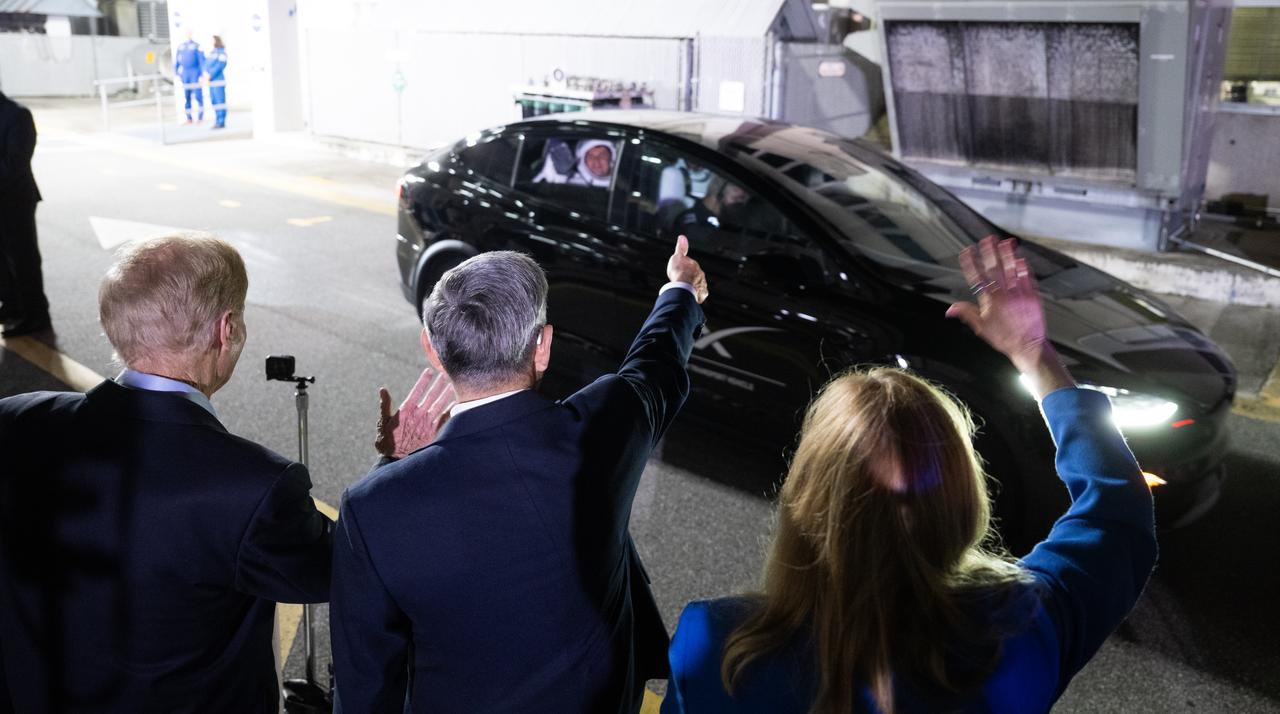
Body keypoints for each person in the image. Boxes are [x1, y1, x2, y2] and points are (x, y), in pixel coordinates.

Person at [661, 235, 1158, 713]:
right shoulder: (1022, 627)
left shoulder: (719, 650)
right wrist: (1035, 355)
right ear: (961, 499)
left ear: (805, 500)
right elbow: (1118, 509)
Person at [329, 238, 710, 713]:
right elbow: (655, 363)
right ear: (543, 346)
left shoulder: (372, 511)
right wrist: (679, 290)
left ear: (433, 350)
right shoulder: (607, 426)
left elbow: (364, 690)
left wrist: (395, 464)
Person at [0, 235, 333, 713]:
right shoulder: (254, 487)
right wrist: (398, 464)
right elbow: (340, 570)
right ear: (227, 329)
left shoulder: (16, 421)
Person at [0, 89, 49, 337]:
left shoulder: (18, 115)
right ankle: (11, 306)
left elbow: (15, 164)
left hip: (15, 200)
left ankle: (35, 315)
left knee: (23, 259)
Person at [174, 29, 205, 123]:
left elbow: (201, 61)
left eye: (189, 33)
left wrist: (201, 74)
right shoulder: (181, 46)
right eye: (186, 33)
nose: (188, 34)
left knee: (198, 96)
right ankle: (189, 118)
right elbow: (177, 61)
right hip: (185, 73)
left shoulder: (197, 46)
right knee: (186, 96)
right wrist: (176, 72)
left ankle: (200, 118)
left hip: (194, 72)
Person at [205, 35, 228, 129]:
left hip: (218, 80)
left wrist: (211, 75)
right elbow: (206, 64)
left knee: (220, 101)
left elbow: (220, 66)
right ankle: (217, 120)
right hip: (211, 81)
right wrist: (205, 74)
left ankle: (221, 121)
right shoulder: (211, 53)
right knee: (214, 101)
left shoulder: (222, 53)